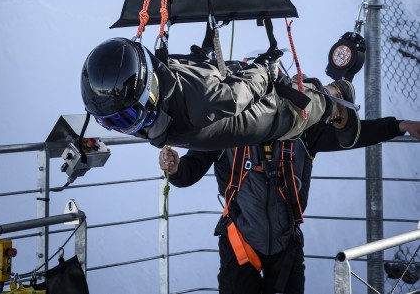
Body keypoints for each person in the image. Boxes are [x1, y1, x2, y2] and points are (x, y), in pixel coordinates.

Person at [159, 118, 420, 294]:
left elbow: (352, 135)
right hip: (240, 242)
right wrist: (176, 167)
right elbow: (190, 171)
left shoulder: (304, 131)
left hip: (287, 243)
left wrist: (399, 126)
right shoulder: (226, 130)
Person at [80, 37, 361, 151]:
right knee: (312, 105)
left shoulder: (162, 86)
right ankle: (336, 104)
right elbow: (244, 92)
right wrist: (263, 67)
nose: (129, 127)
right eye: (114, 123)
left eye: (127, 116)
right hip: (273, 113)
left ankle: (334, 95)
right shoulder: (197, 102)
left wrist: (202, 62)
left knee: (295, 90)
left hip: (240, 92)